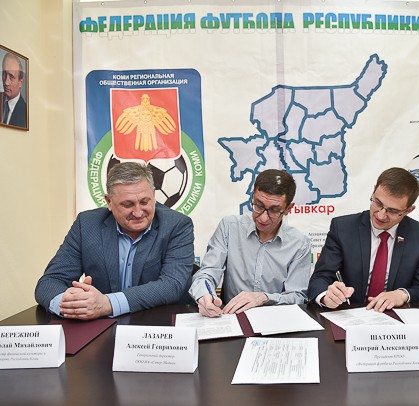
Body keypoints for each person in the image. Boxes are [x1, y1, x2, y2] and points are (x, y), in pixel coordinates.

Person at [35, 162, 194, 320]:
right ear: (109, 202)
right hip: (104, 327)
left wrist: (108, 303)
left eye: (144, 202)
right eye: (128, 204)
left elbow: (172, 285)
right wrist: (72, 305)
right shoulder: (87, 225)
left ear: (153, 195)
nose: (138, 212)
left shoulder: (176, 225)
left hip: (158, 325)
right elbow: (50, 281)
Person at [307, 167, 419, 312]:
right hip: (348, 314)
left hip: (394, 317)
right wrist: (326, 296)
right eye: (378, 203)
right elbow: (320, 278)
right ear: (373, 192)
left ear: (408, 210)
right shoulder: (343, 228)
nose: (381, 215)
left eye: (392, 211)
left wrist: (402, 294)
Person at [190, 169, 310, 317]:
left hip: (275, 319)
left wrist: (264, 298)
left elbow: (298, 296)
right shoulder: (229, 227)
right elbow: (207, 273)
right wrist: (204, 296)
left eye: (274, 210)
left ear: (288, 209)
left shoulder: (299, 244)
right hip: (232, 317)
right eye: (259, 205)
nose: (263, 218)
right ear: (253, 196)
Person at [1, 52, 27, 128]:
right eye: (4, 73)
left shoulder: (25, 113)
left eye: (11, 77)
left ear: (20, 83)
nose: (6, 82)